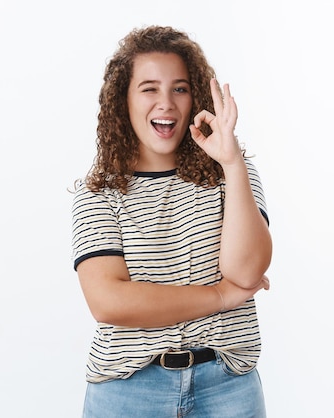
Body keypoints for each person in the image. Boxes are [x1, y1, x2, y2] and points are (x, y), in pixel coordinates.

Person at [71, 25, 272, 418]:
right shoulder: (98, 191)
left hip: (228, 386)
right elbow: (109, 301)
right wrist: (220, 296)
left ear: (195, 97)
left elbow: (247, 271)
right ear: (122, 101)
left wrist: (230, 162)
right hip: (129, 390)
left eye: (179, 88)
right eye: (149, 88)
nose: (166, 102)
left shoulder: (231, 173)